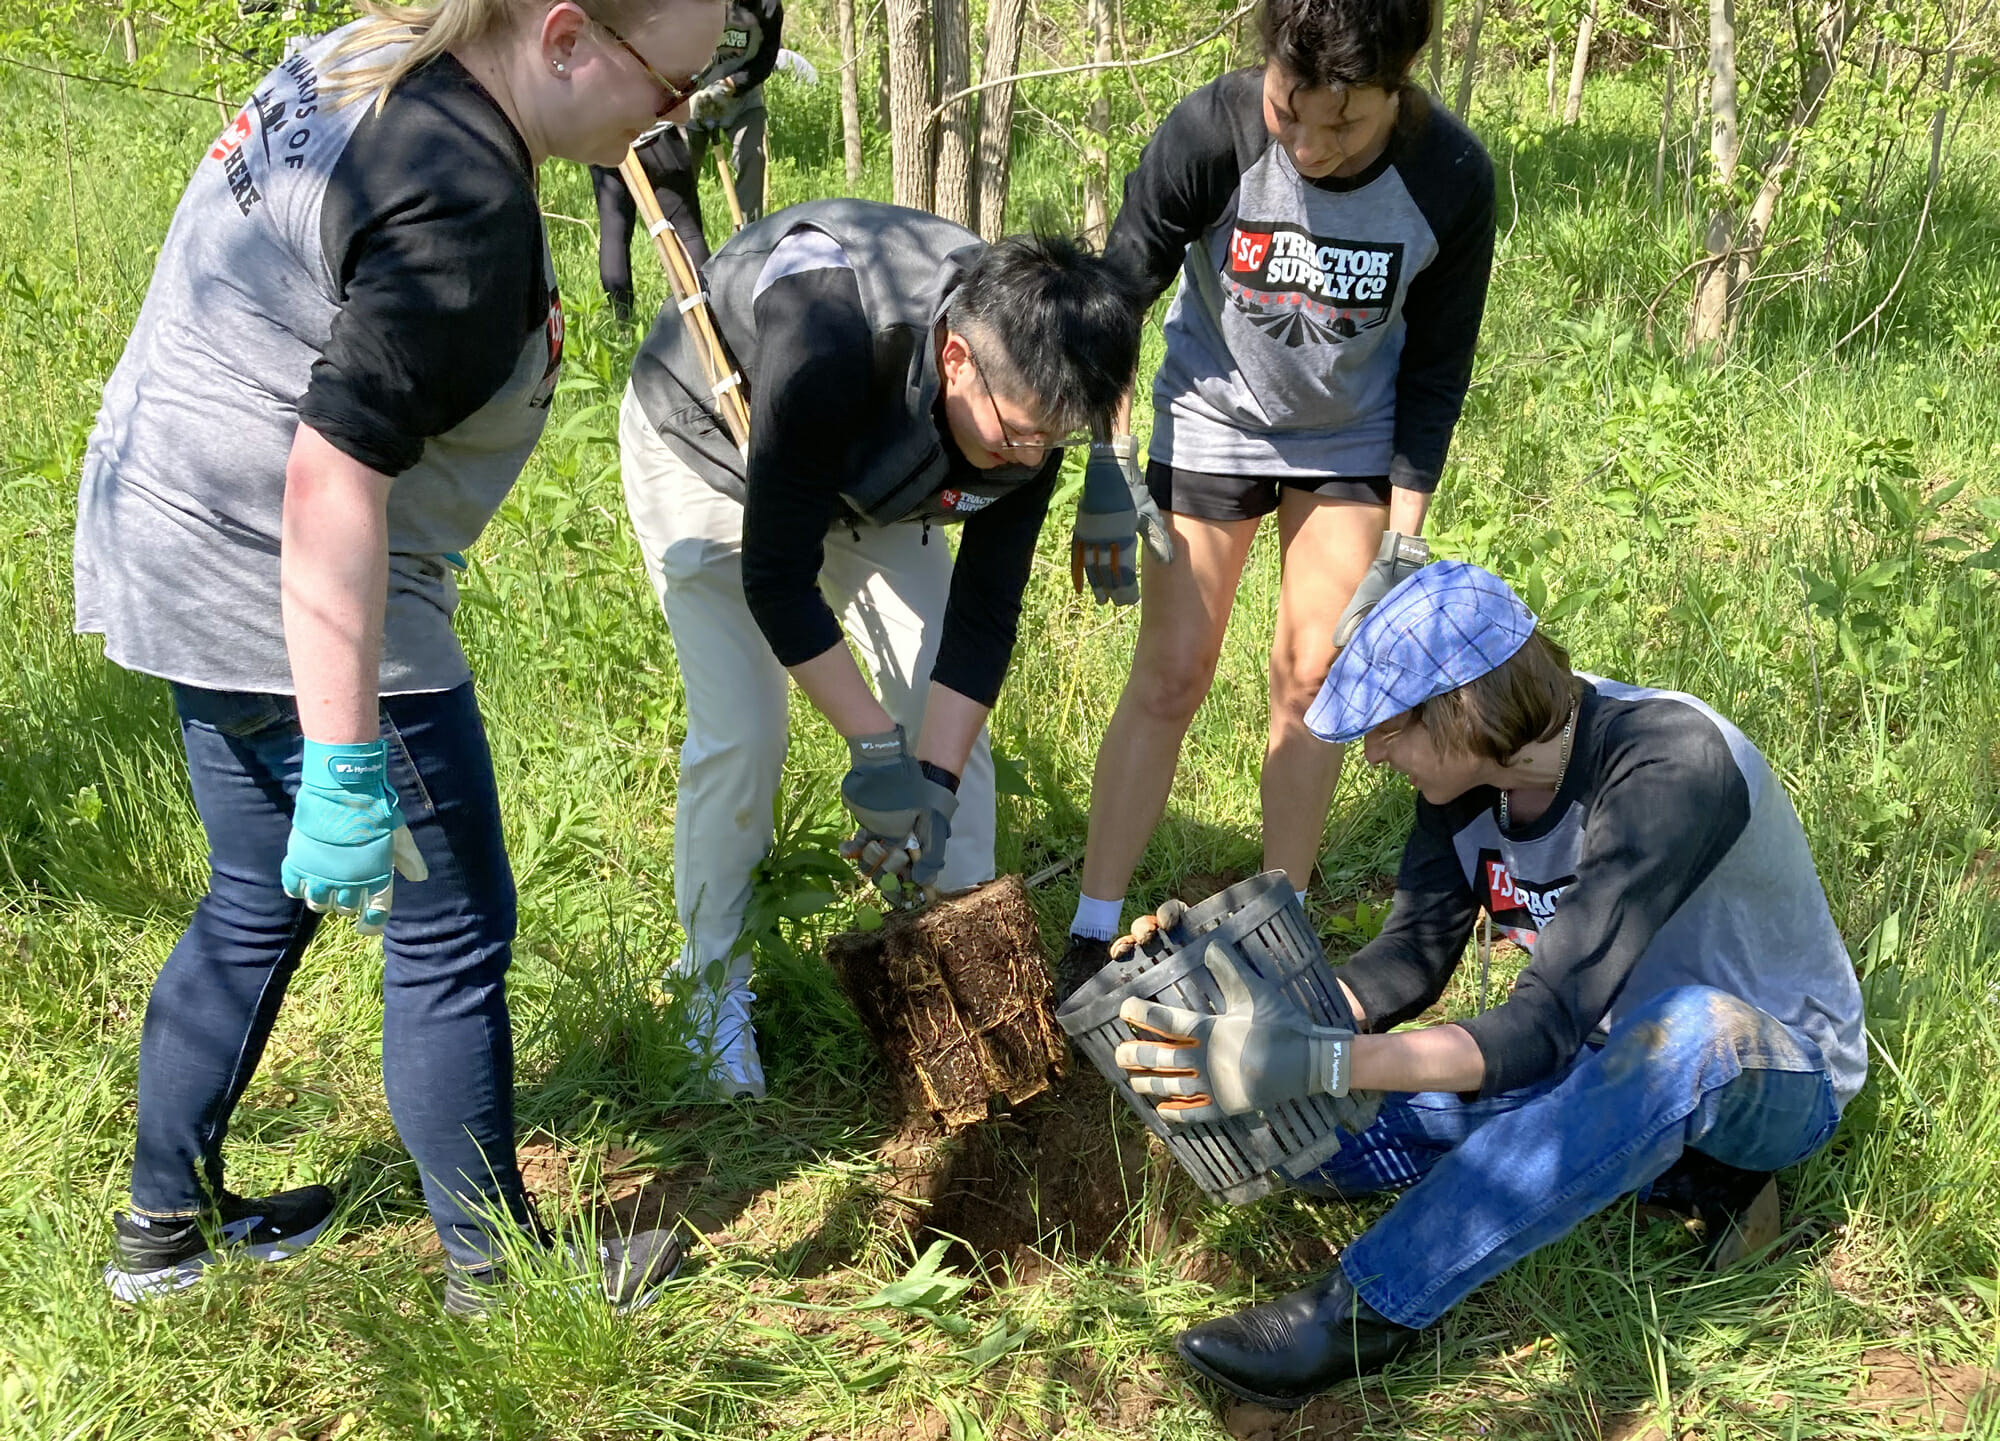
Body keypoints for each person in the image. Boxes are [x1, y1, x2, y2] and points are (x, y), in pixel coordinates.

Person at [74, 0, 725, 1315]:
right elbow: (329, 483)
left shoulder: (386, 45)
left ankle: (164, 1230)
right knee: (452, 928)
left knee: (256, 891)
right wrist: (347, 760)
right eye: (669, 87)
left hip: (161, 519)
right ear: (562, 38)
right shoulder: (463, 200)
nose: (672, 124)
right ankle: (499, 1278)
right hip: (282, 567)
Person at [1111, 562, 1866, 1408]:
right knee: (1305, 1139)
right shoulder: (1472, 780)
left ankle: (1359, 1313)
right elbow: (1407, 959)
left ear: (1463, 709)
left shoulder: (1668, 764)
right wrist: (1248, 1005)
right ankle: (1665, 1170)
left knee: (1686, 1031)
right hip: (1595, 1051)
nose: (1374, 753)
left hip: (1768, 1068)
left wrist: (1321, 1060)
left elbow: (1540, 1023)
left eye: (1391, 728)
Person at [619, 199, 1142, 1100]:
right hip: (714, 447)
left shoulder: (1030, 399)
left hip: (888, 481)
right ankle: (710, 988)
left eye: (1051, 441)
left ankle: (974, 976)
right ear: (955, 359)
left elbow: (983, 616)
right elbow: (777, 579)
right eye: (1020, 433)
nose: (1030, 457)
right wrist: (872, 752)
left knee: (952, 741)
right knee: (746, 731)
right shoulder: (826, 333)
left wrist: (927, 780)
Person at [1057, 0, 1496, 995]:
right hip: (1211, 414)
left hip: (1347, 437)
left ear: (1398, 88)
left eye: (1342, 124)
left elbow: (1436, 372)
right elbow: (1116, 293)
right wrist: (1106, 458)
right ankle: (1087, 931)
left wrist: (1402, 540)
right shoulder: (1209, 133)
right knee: (1170, 673)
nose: (1307, 145)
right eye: (1288, 111)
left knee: (1311, 684)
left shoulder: (1449, 177)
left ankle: (1276, 939)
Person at [584, 1, 781, 321]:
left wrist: (732, 85)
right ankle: (679, 306)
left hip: (729, 101)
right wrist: (693, 90)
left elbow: (766, 56)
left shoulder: (766, 6)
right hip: (677, 109)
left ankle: (740, 270)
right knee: (670, 214)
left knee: (748, 166)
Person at [590, 121, 710, 323]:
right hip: (653, 135)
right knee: (687, 230)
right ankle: (710, 313)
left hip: (603, 141)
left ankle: (622, 323)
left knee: (614, 234)